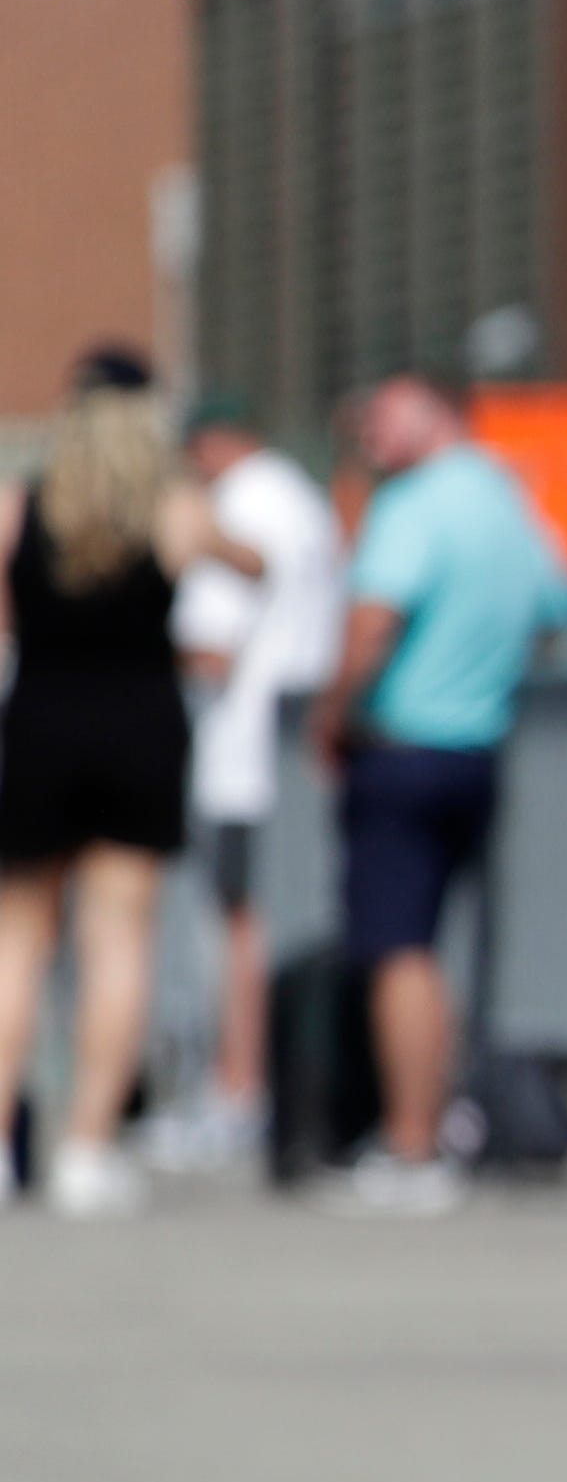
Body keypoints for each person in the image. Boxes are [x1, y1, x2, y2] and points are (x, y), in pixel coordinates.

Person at [312, 372, 567, 1217]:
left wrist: (331, 713)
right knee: (433, 948)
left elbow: (371, 622)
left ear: (436, 415)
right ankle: (433, 1123)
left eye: (384, 417)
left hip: (404, 747)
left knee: (399, 950)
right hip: (479, 749)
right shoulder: (506, 499)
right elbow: (553, 610)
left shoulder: (412, 506)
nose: (372, 438)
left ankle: (413, 1142)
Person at [0, 352, 238, 1216]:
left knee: (17, 943)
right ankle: (87, 1149)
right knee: (119, 943)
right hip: (140, 726)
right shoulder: (173, 508)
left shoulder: (24, 504)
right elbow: (253, 565)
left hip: (40, 720)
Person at [155, 395, 344, 1172]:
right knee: (280, 919)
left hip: (238, 754)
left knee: (240, 925)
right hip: (294, 752)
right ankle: (262, 1087)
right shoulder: (303, 500)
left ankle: (239, 1089)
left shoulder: (233, 510)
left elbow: (210, 648)